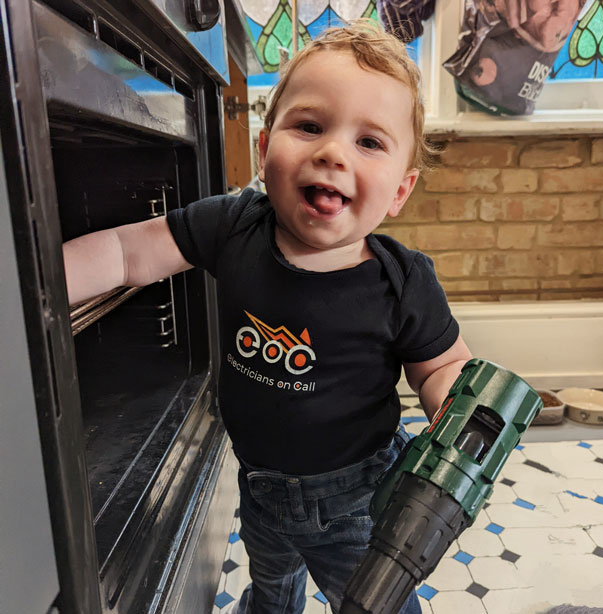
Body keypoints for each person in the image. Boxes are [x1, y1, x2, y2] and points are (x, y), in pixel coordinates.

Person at [63, 20, 472, 614]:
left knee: (371, 603)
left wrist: (451, 411)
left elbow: (441, 367)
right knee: (272, 588)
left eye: (370, 142)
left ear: (400, 192)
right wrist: (37, 281)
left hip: (356, 500)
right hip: (258, 485)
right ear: (264, 147)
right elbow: (130, 253)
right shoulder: (234, 225)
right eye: (309, 126)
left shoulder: (402, 280)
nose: (332, 152)